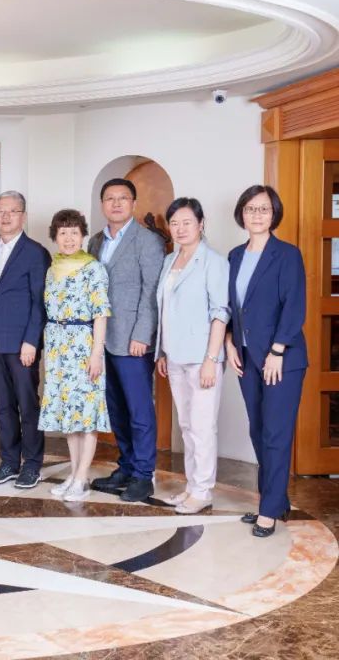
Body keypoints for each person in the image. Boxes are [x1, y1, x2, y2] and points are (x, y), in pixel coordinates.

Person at [226, 185, 307, 538]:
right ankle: (275, 500)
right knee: (258, 430)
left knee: (275, 432)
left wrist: (277, 351)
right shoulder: (234, 256)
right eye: (250, 208)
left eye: (263, 209)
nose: (256, 215)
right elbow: (230, 306)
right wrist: (229, 342)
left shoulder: (287, 255)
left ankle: (268, 510)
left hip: (282, 359)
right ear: (241, 214)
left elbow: (294, 306)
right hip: (246, 357)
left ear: (274, 214)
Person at [87, 178, 165, 503]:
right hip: (102, 340)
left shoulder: (148, 241)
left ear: (133, 203)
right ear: (102, 204)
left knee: (139, 410)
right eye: (110, 198)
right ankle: (127, 466)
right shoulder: (95, 242)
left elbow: (152, 291)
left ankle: (144, 475)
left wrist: (142, 335)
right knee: (116, 408)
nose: (116, 203)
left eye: (123, 198)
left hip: (133, 341)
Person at [155, 198, 230, 514]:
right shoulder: (169, 260)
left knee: (202, 427)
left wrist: (211, 359)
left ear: (201, 224)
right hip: (174, 356)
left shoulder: (214, 261)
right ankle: (191, 487)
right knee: (186, 426)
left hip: (202, 359)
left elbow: (220, 312)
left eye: (187, 222)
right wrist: (161, 350)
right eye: (174, 223)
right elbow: (164, 309)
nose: (180, 228)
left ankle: (203, 491)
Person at [0, 190, 51, 488]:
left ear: (23, 215)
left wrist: (31, 341)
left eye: (12, 211)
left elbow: (40, 301)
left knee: (27, 404)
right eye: (0, 211)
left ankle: (32, 464)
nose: (5, 216)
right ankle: (8, 462)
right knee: (3, 405)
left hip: (23, 344)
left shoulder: (35, 253)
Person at [39, 209, 111, 502]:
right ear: (55, 237)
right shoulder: (52, 268)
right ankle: (74, 471)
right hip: (57, 347)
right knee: (68, 413)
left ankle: (82, 477)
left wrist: (96, 354)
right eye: (63, 233)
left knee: (86, 412)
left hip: (82, 345)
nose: (68, 238)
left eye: (74, 233)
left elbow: (101, 313)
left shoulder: (93, 268)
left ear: (82, 236)